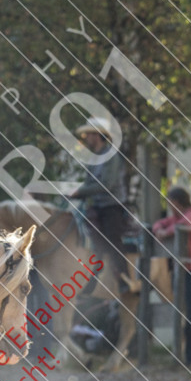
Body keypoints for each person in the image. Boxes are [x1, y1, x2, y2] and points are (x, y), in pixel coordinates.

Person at [69, 117, 132, 292]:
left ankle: (124, 280)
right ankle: (92, 282)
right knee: (93, 244)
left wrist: (80, 192)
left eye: (88, 134)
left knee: (113, 241)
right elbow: (90, 183)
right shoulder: (94, 158)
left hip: (112, 207)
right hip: (97, 207)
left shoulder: (111, 156)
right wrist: (76, 192)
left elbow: (107, 184)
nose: (86, 138)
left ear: (97, 136)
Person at [153, 186, 191, 368]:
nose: (170, 207)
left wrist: (165, 232)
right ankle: (188, 356)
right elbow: (159, 224)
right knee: (184, 315)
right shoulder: (177, 217)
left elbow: (184, 226)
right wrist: (160, 229)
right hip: (180, 271)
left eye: (172, 203)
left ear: (179, 202)